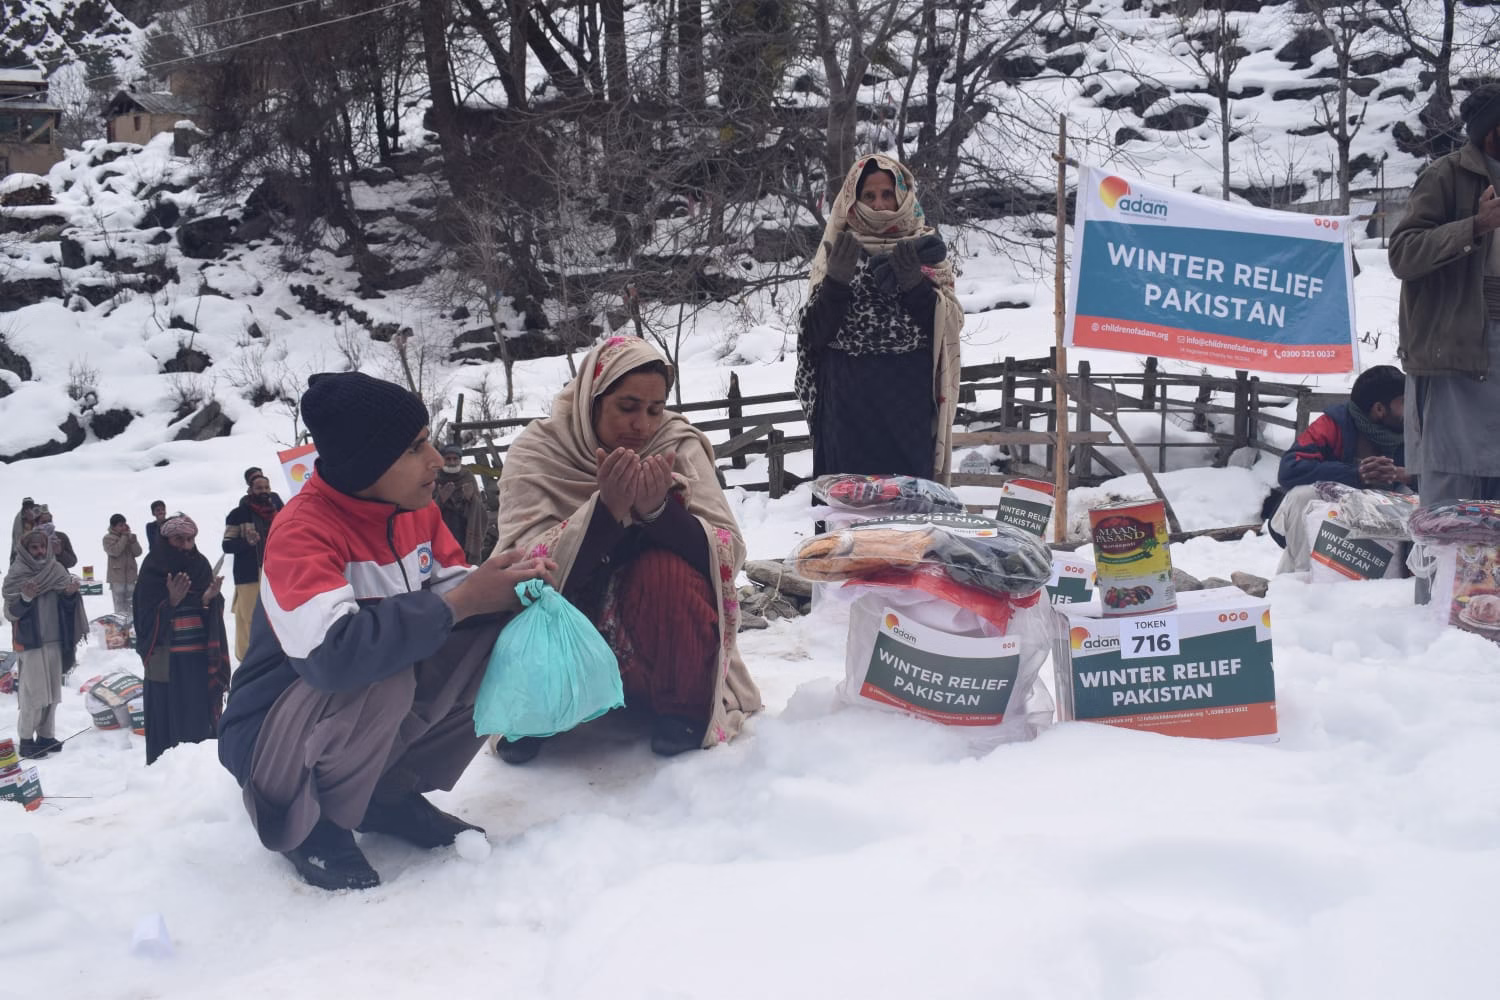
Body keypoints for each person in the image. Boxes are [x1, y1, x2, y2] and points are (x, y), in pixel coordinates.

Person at [217, 371, 552, 892]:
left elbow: (455, 602)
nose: (437, 459)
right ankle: (314, 824)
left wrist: (504, 589)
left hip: (353, 714)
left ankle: (386, 793)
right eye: (416, 447)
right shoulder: (302, 531)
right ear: (366, 461)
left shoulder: (416, 513)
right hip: (274, 739)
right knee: (382, 671)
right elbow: (333, 656)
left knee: (499, 638)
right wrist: (462, 601)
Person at [491, 336, 762, 765]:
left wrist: (657, 511)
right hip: (573, 612)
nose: (643, 425)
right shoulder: (540, 450)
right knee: (534, 593)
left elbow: (726, 549)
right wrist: (605, 512)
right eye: (627, 406)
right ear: (592, 400)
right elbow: (521, 559)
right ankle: (536, 709)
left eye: (655, 410)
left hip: (654, 626)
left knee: (666, 573)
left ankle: (682, 707)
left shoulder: (675, 444)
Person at [794, 153, 964, 482]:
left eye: (887, 194)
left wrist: (916, 287)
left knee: (907, 519)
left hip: (907, 409)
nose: (880, 204)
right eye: (869, 196)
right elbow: (812, 338)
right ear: (853, 201)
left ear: (902, 195)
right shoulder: (837, 248)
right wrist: (835, 286)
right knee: (844, 519)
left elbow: (948, 329)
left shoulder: (926, 249)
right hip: (846, 410)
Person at [1390, 82, 1500, 508]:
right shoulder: (1446, 176)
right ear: (1492, 132)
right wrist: (1474, 226)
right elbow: (1402, 254)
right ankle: (1442, 577)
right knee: (1451, 507)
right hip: (1457, 360)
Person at [1270, 365, 1412, 573]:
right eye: (1403, 403)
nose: (1411, 410)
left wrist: (1407, 475)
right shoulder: (1334, 424)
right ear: (1380, 409)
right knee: (1302, 496)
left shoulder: (1415, 429)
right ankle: (1301, 583)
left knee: (1421, 500)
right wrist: (1355, 474)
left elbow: (1439, 473)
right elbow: (1291, 469)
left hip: (1389, 518)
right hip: (1334, 516)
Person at [133, 515, 230, 766]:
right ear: (165, 540)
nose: (186, 545)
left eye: (190, 539)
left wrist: (209, 600)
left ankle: (196, 773)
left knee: (197, 718)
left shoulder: (201, 566)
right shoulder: (153, 568)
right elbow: (143, 618)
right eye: (179, 539)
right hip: (166, 662)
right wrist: (170, 603)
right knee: (167, 716)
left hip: (198, 659)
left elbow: (207, 610)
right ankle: (164, 774)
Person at [3, 528, 87, 759]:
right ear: (26, 550)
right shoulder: (17, 574)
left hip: (55, 640)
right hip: (31, 644)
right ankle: (27, 739)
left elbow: (67, 607)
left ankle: (46, 735)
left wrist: (69, 594)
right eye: (34, 547)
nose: (40, 552)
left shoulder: (56, 569)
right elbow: (11, 612)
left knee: (53, 693)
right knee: (33, 695)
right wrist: (26, 598)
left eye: (42, 547)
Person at [223, 474, 283, 661]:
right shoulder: (239, 514)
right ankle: (252, 659)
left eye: (266, 487)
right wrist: (246, 542)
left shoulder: (277, 512)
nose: (264, 491)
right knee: (250, 617)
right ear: (250, 490)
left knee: (276, 614)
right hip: (249, 574)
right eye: (259, 488)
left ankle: (275, 654)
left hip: (275, 572)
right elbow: (226, 545)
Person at [435, 442, 486, 565]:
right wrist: (440, 499)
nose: (452, 462)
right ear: (442, 459)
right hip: (441, 532)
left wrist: (471, 499)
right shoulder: (434, 477)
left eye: (455, 459)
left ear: (460, 460)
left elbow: (481, 510)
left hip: (464, 531)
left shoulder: (468, 477)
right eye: (448, 459)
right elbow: (423, 510)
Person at [101, 513, 143, 616]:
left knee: (132, 605)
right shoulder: (107, 538)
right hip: (117, 578)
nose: (123, 527)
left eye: (124, 524)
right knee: (119, 606)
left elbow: (138, 552)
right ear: (113, 526)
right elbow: (115, 551)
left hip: (131, 576)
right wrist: (124, 537)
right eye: (120, 525)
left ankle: (132, 627)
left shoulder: (129, 537)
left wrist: (133, 541)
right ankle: (121, 628)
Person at [10, 496, 35, 563]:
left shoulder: (38, 514)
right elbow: (16, 536)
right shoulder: (19, 518)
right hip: (21, 552)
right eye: (26, 506)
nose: (28, 509)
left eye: (30, 506)